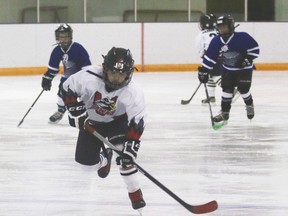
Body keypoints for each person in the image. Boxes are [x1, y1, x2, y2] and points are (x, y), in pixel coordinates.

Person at [60, 47, 146, 212]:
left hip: (117, 122)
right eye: (113, 72)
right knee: (86, 167)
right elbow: (66, 88)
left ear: (129, 73)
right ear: (105, 69)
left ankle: (136, 196)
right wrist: (75, 110)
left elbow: (138, 119)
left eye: (121, 74)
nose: (116, 78)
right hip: (91, 122)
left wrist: (131, 147)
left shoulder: (133, 91)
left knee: (124, 157)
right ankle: (104, 158)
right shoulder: (88, 77)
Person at [198, 15, 260, 127]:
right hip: (227, 69)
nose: (222, 30)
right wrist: (204, 70)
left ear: (231, 26)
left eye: (224, 27)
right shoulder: (216, 40)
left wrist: (246, 60)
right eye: (220, 27)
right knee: (226, 90)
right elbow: (210, 57)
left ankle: (249, 104)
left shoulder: (243, 37)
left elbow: (255, 50)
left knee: (243, 89)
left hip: (244, 70)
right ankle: (225, 113)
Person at [41, 23, 92, 124]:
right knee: (61, 94)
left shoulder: (78, 48)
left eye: (65, 37)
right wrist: (47, 79)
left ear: (70, 37)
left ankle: (89, 112)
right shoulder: (57, 50)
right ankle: (60, 111)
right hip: (67, 78)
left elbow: (86, 66)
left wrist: (86, 78)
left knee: (84, 96)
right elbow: (53, 68)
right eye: (61, 37)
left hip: (80, 78)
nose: (63, 39)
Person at [195, 14, 222, 104]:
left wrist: (204, 58)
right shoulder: (219, 31)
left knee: (214, 75)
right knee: (210, 75)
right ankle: (211, 96)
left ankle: (230, 89)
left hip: (212, 58)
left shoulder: (201, 35)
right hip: (224, 56)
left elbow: (201, 51)